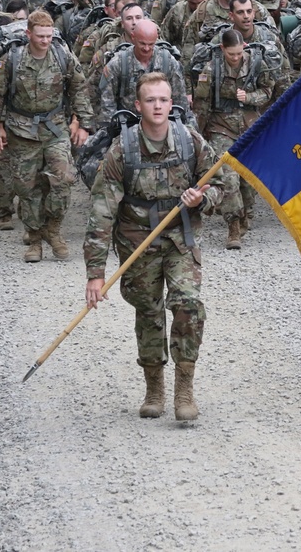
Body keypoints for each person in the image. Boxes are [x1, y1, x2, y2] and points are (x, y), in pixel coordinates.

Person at [85, 72, 222, 421]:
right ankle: (154, 389)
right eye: (150, 100)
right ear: (138, 105)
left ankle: (184, 389)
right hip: (137, 241)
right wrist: (95, 274)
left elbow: (223, 183)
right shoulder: (122, 150)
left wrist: (200, 201)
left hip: (180, 238)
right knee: (148, 312)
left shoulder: (190, 142)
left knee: (188, 304)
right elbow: (102, 212)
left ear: (171, 103)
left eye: (163, 99)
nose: (157, 106)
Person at [0, 10, 94, 262]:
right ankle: (35, 239)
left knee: (63, 179)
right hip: (21, 130)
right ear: (29, 34)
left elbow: (79, 88)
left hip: (55, 127)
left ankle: (53, 230)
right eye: (40, 36)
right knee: (27, 188)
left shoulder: (62, 56)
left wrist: (83, 123)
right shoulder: (13, 59)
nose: (44, 41)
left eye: (48, 36)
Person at [192, 29, 275, 250]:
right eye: (231, 54)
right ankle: (233, 226)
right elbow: (201, 105)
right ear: (222, 50)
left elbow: (268, 91)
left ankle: (246, 214)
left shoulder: (257, 65)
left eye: (239, 53)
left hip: (249, 128)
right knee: (228, 177)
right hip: (222, 128)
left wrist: (249, 97)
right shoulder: (212, 70)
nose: (236, 58)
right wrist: (198, 136)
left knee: (248, 180)